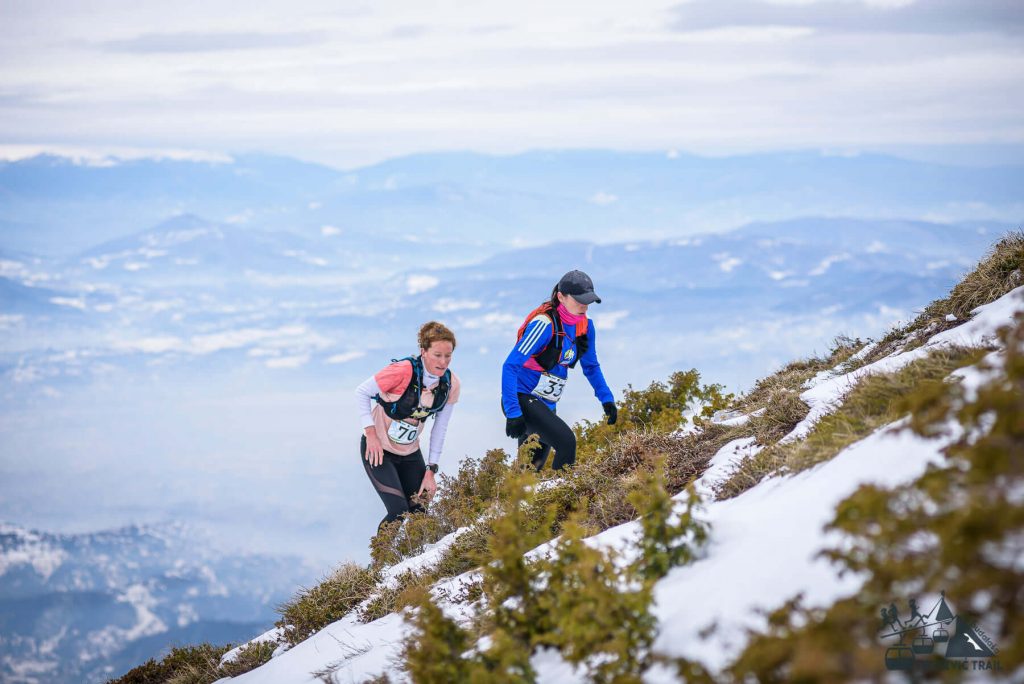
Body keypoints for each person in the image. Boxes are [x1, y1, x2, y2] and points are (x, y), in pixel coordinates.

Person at [501, 270, 617, 471]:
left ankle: (518, 502)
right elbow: (510, 366)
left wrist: (606, 399)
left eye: (588, 301)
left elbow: (591, 367)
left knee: (528, 473)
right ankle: (565, 500)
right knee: (566, 443)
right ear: (561, 297)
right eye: (579, 300)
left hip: (547, 404)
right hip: (522, 399)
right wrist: (513, 413)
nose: (584, 306)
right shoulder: (543, 324)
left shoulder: (585, 327)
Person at [356, 321, 461, 532]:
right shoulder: (402, 371)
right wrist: (371, 434)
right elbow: (361, 392)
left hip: (410, 452)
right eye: (437, 355)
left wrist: (431, 469)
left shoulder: (450, 384)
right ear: (423, 351)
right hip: (378, 450)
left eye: (448, 355)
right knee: (398, 510)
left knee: (420, 508)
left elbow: (440, 428)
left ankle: (416, 560)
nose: (443, 361)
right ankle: (381, 564)